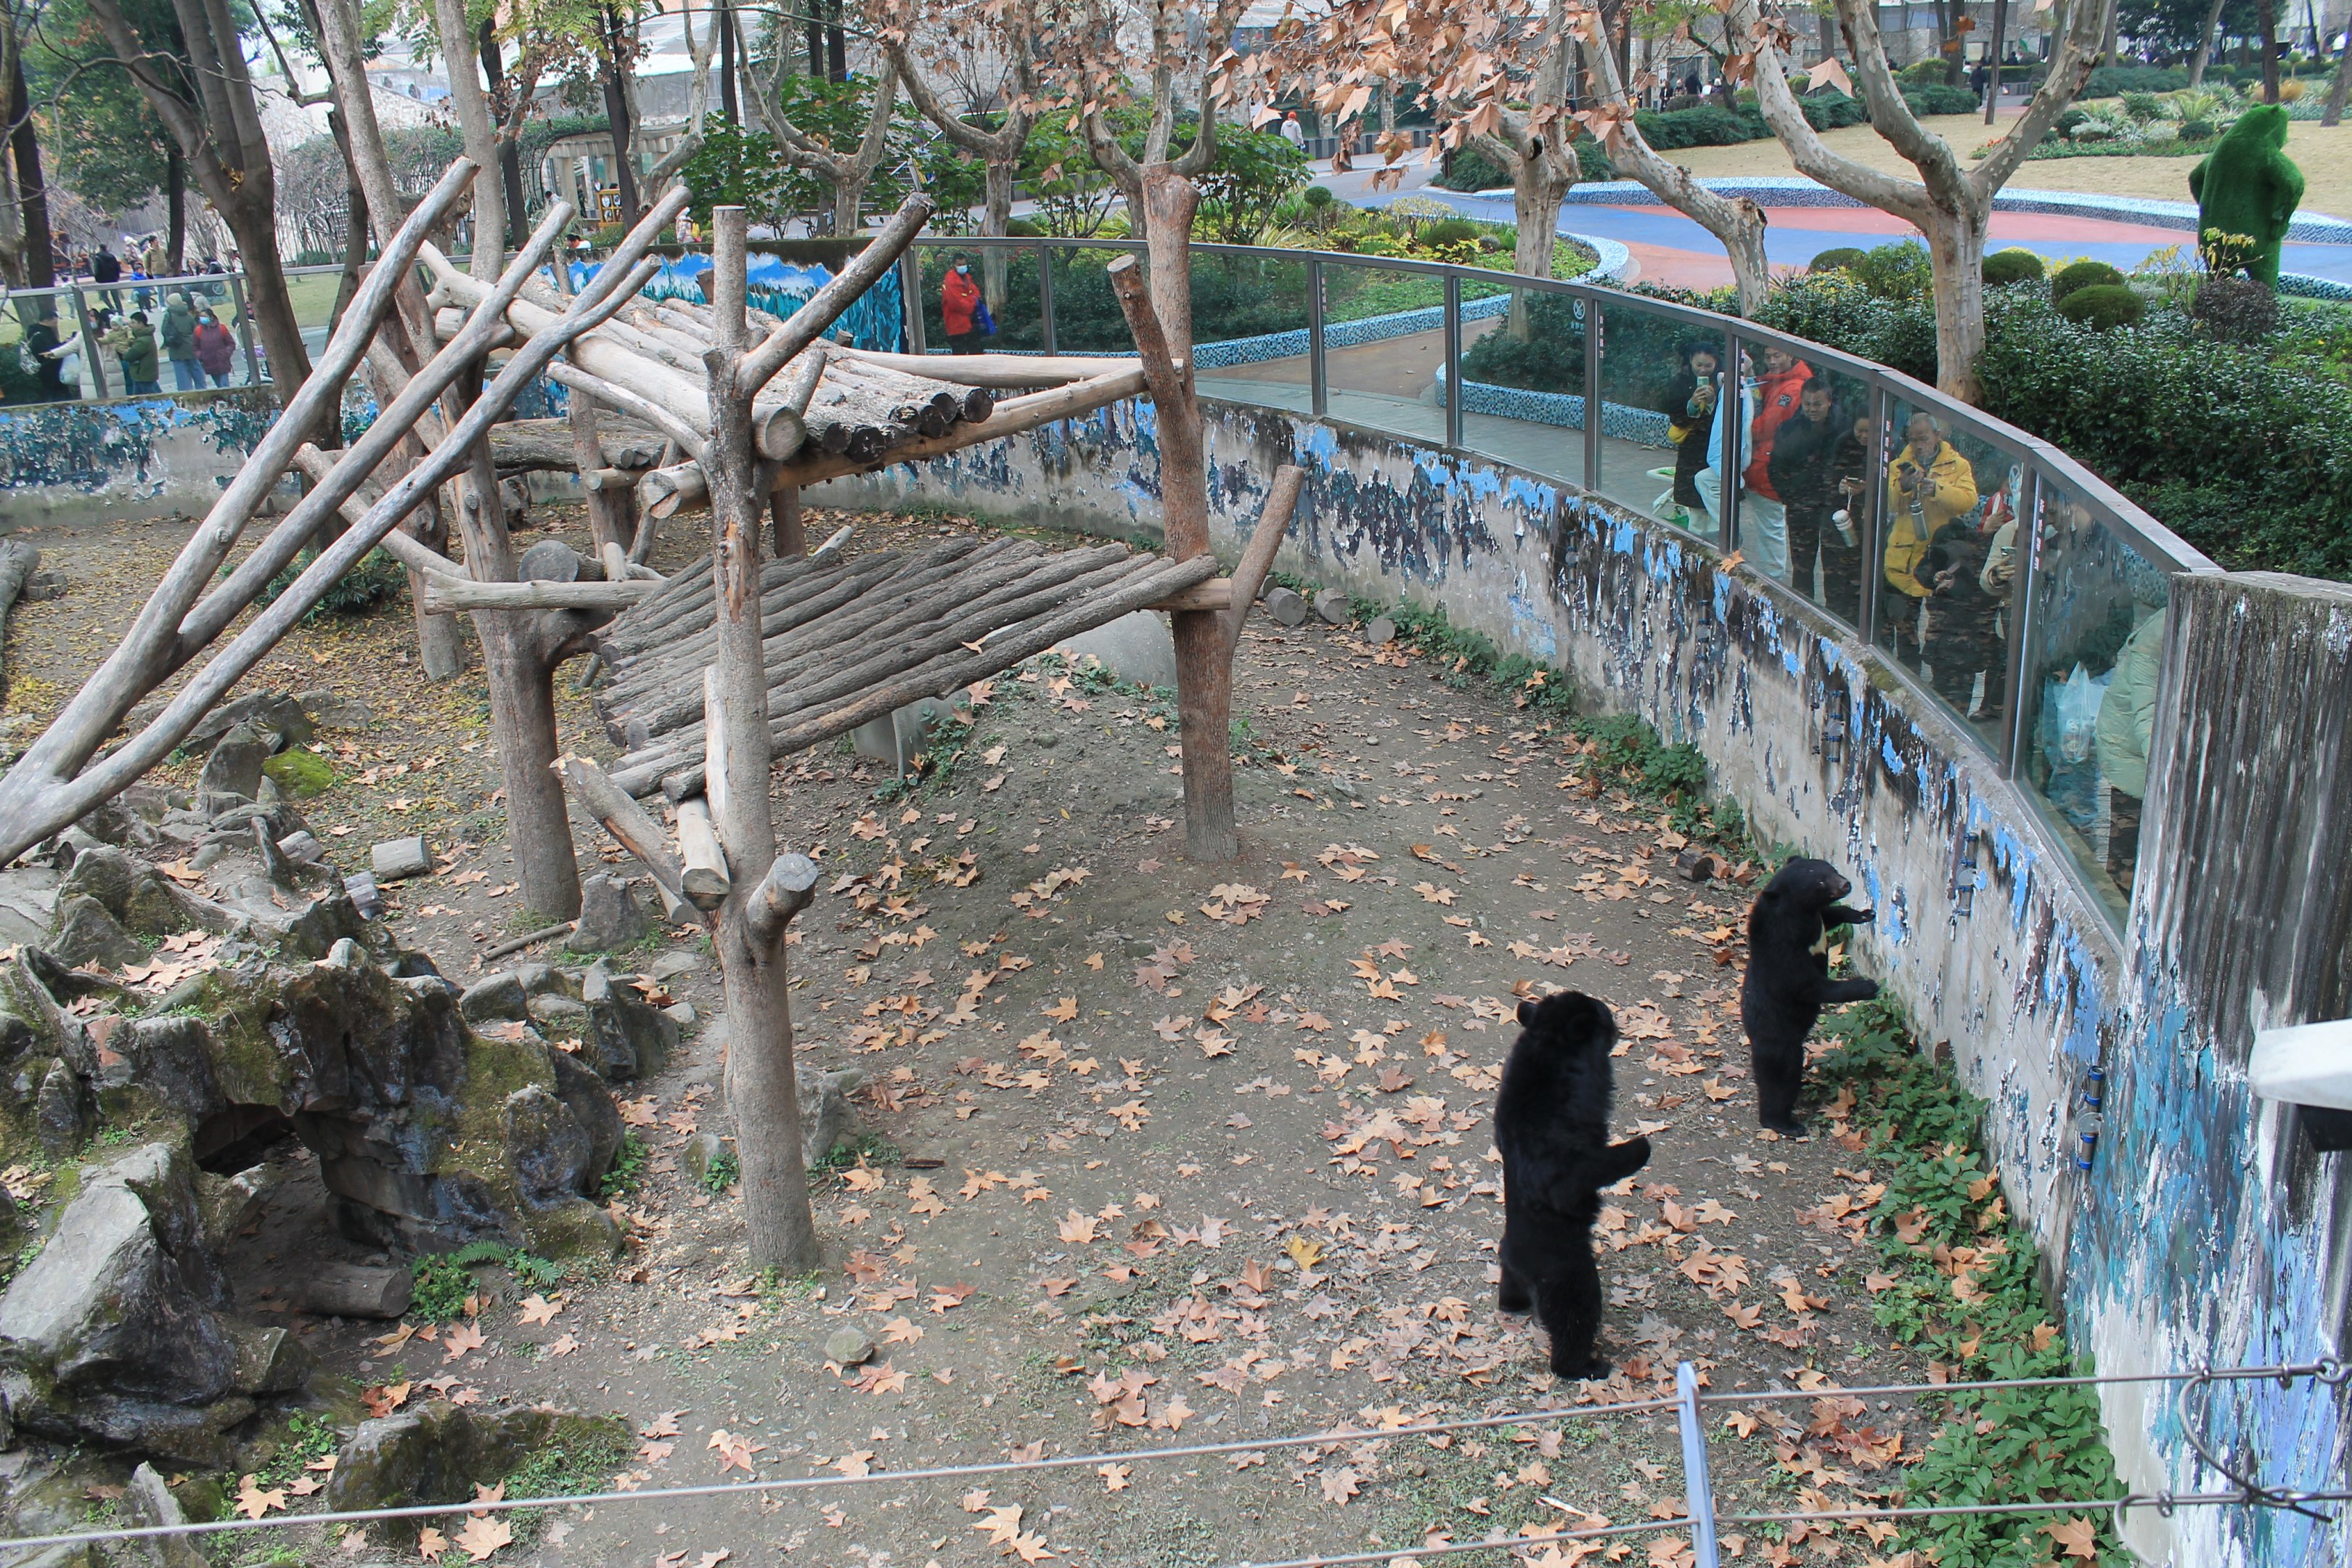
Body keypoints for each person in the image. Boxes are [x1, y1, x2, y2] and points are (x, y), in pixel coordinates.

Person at [1881, 412, 1977, 669]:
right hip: (1904, 559)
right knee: (1903, 629)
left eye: (1923, 438)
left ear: (1937, 436)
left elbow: (1968, 501)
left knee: (1938, 633)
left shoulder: (1958, 466)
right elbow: (1888, 502)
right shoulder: (1898, 465)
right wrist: (1903, 486)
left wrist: (1937, 490)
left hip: (1939, 559)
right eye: (1913, 440)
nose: (1918, 445)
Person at [2094, 574, 2168, 896]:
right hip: (2128, 751)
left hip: (2148, 752)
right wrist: (2166, 780)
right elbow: (2147, 713)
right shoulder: (2156, 640)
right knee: (2127, 853)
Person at [1766, 380, 1850, 604]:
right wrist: (1789, 495)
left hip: (1834, 508)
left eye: (1818, 404)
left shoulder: (1844, 430)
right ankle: (1802, 613)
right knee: (1802, 568)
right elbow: (1775, 465)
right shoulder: (1789, 429)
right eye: (1808, 404)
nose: (1812, 409)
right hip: (1801, 507)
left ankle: (1835, 620)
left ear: (1829, 403)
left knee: (1835, 572)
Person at [1659, 341, 1722, 534]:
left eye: (1708, 366)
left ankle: (1717, 544)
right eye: (1699, 365)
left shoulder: (1723, 382)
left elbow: (1731, 417)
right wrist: (1693, 404)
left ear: (1716, 364)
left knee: (1717, 508)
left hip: (1716, 450)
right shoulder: (1681, 382)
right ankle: (1697, 546)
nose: (1703, 370)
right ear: (1690, 362)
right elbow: (1676, 416)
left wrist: (1713, 402)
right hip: (1692, 453)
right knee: (1695, 511)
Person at [105, 309, 161, 393]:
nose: (131, 325)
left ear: (141, 324)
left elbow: (129, 356)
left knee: (151, 398)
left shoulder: (143, 341)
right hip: (142, 374)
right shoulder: (143, 336)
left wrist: (123, 351)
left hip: (143, 374)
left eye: (133, 323)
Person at [940, 253, 984, 354]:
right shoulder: (951, 281)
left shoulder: (966, 277)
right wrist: (972, 303)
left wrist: (969, 300)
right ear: (954, 265)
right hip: (957, 326)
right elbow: (957, 303)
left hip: (969, 323)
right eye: (959, 265)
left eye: (964, 264)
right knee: (960, 355)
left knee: (976, 352)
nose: (962, 267)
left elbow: (976, 292)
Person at [160, 291, 201, 391]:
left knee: (182, 376)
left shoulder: (169, 315)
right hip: (190, 347)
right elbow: (195, 330)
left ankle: (187, 394)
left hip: (177, 349)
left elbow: (164, 330)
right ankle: (202, 390)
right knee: (196, 370)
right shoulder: (188, 315)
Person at [192, 304, 237, 386]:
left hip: (222, 362)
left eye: (205, 316)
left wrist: (226, 353)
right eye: (201, 317)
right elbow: (195, 347)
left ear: (211, 317)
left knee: (224, 385)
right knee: (219, 385)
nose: (202, 319)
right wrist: (201, 356)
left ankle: (227, 398)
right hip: (209, 363)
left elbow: (231, 343)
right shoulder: (198, 331)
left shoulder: (221, 328)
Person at [91, 243, 123, 311]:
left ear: (99, 248)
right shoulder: (112, 257)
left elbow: (97, 270)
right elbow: (118, 268)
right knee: (116, 296)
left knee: (104, 296)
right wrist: (117, 277)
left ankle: (112, 308)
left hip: (103, 281)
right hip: (113, 279)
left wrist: (97, 279)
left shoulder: (97, 258)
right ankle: (120, 310)